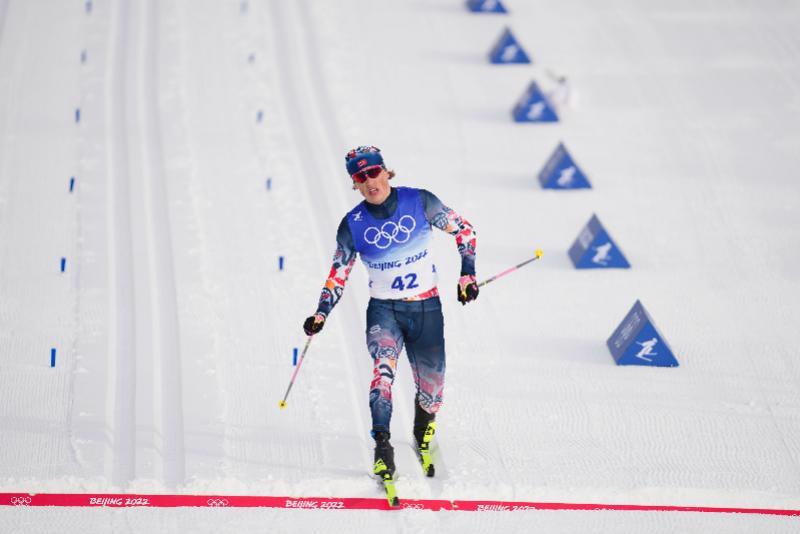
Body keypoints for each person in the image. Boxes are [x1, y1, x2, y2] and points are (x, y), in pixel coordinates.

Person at [303, 146, 479, 480]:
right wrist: (320, 313)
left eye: (373, 173)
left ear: (386, 171)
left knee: (433, 392)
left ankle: (422, 428)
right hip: (384, 311)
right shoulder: (352, 225)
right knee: (383, 372)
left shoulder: (420, 201)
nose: (370, 182)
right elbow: (338, 274)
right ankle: (382, 447)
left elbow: (465, 231)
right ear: (355, 184)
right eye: (361, 177)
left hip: (426, 308)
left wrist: (467, 274)